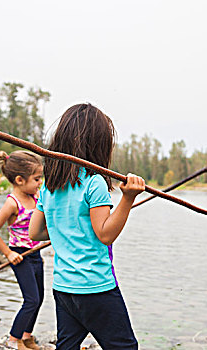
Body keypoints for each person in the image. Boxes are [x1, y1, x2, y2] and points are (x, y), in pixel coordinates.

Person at [29, 103, 145, 350]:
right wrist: (128, 198)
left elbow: (35, 232)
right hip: (95, 287)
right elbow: (105, 234)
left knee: (67, 346)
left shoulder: (49, 185)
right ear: (99, 145)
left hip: (63, 288)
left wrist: (66, 227)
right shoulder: (94, 183)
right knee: (124, 347)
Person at [0, 150, 44, 350]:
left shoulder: (36, 197)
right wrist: (8, 253)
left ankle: (27, 337)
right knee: (31, 300)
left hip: (35, 254)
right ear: (20, 180)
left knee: (39, 298)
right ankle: (14, 340)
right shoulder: (13, 203)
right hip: (20, 256)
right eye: (37, 179)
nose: (40, 183)